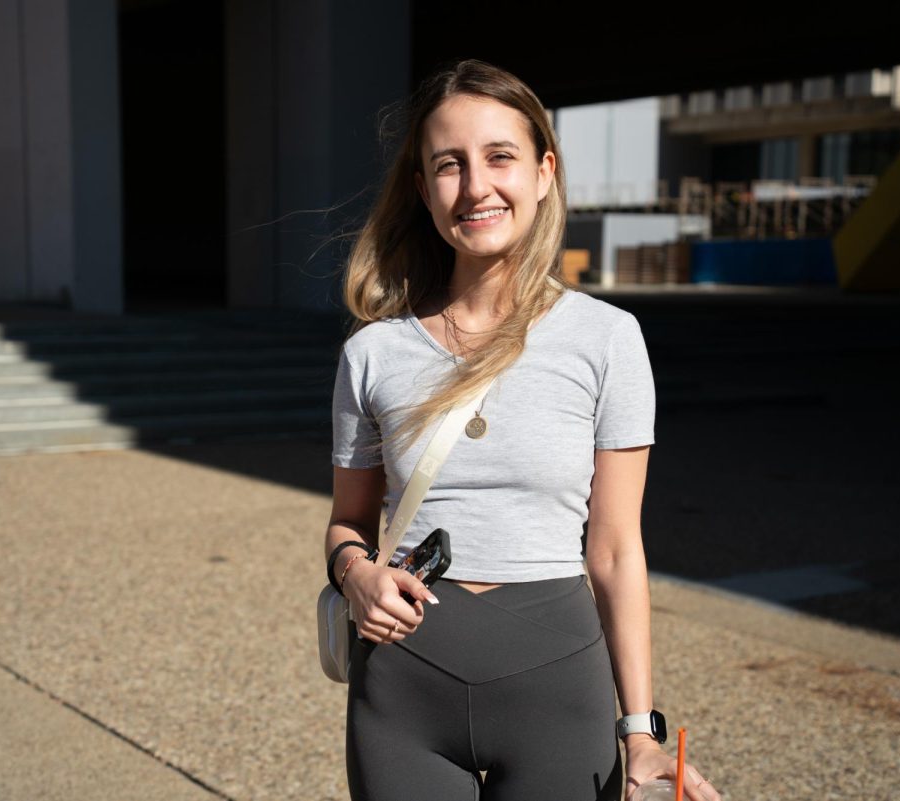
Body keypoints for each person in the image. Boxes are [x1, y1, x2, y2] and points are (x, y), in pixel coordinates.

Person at [324, 59, 722, 801]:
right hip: (400, 692)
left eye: (499, 157)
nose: (476, 187)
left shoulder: (607, 339)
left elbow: (614, 549)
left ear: (544, 172)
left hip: (559, 692)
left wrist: (639, 732)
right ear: (423, 188)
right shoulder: (372, 353)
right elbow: (348, 522)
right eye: (449, 165)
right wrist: (356, 575)